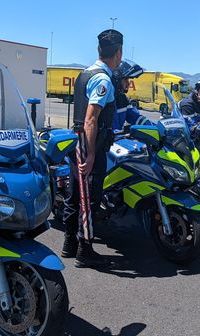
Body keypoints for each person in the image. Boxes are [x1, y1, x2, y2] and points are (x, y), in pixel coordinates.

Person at [61, 29, 123, 268]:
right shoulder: (103, 79)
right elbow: (90, 120)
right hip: (89, 143)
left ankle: (69, 245)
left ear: (99, 50)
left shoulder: (85, 73)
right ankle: (84, 251)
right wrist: (92, 152)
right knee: (89, 199)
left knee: (74, 196)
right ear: (118, 53)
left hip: (76, 141)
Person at [111, 59, 151, 133]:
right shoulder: (105, 99)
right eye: (126, 79)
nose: (128, 83)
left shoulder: (123, 99)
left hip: (117, 141)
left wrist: (151, 126)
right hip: (106, 142)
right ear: (117, 79)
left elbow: (134, 116)